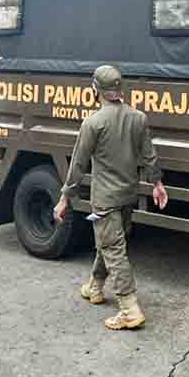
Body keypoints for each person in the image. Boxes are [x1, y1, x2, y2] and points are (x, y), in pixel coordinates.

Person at [53, 65, 168, 331]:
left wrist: (64, 199)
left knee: (113, 249)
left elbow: (78, 165)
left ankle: (129, 309)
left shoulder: (93, 122)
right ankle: (95, 287)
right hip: (129, 194)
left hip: (105, 198)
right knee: (111, 242)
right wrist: (157, 184)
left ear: (95, 90)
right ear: (119, 89)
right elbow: (149, 156)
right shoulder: (138, 117)